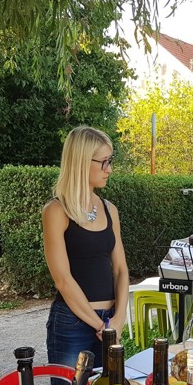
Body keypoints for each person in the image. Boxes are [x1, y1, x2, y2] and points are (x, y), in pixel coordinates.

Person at [43, 126, 129, 369]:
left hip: (109, 321)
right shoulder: (56, 211)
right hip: (72, 323)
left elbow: (121, 269)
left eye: (110, 161)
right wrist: (100, 325)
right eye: (104, 162)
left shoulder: (110, 209)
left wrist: (119, 318)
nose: (109, 169)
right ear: (81, 162)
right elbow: (62, 280)